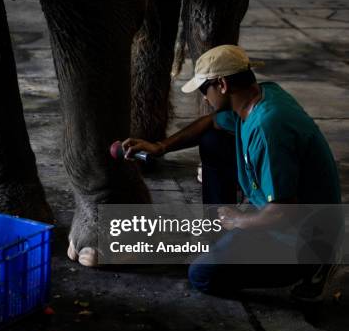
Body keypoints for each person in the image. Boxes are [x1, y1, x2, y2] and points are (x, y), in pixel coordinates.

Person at [121, 45, 342, 301]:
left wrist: (238, 220)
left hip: (303, 236)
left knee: (202, 275)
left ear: (222, 85)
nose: (205, 98)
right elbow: (211, 122)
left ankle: (316, 267)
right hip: (286, 217)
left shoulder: (269, 129)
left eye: (205, 90)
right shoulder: (260, 95)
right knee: (213, 139)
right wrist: (160, 147)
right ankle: (225, 236)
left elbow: (284, 211)